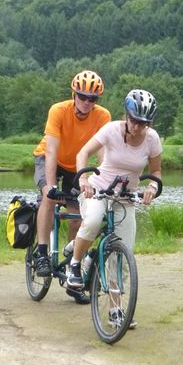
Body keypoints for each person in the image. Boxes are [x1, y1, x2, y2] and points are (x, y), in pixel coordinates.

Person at [67, 89, 163, 326]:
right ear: (126, 116)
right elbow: (84, 152)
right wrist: (82, 180)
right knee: (91, 221)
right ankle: (76, 265)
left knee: (121, 256)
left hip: (126, 197)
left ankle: (116, 311)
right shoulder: (111, 130)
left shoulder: (152, 139)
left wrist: (151, 186)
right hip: (98, 190)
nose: (139, 127)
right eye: (134, 121)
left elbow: (156, 171)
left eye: (144, 123)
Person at [32, 70, 111, 304]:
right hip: (51, 160)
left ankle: (72, 275)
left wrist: (103, 182)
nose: (87, 102)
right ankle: (43, 253)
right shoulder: (59, 110)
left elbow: (103, 154)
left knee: (76, 217)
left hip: (77, 166)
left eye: (93, 99)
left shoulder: (103, 116)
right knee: (49, 197)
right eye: (83, 96)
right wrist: (49, 186)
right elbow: (51, 150)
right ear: (74, 94)